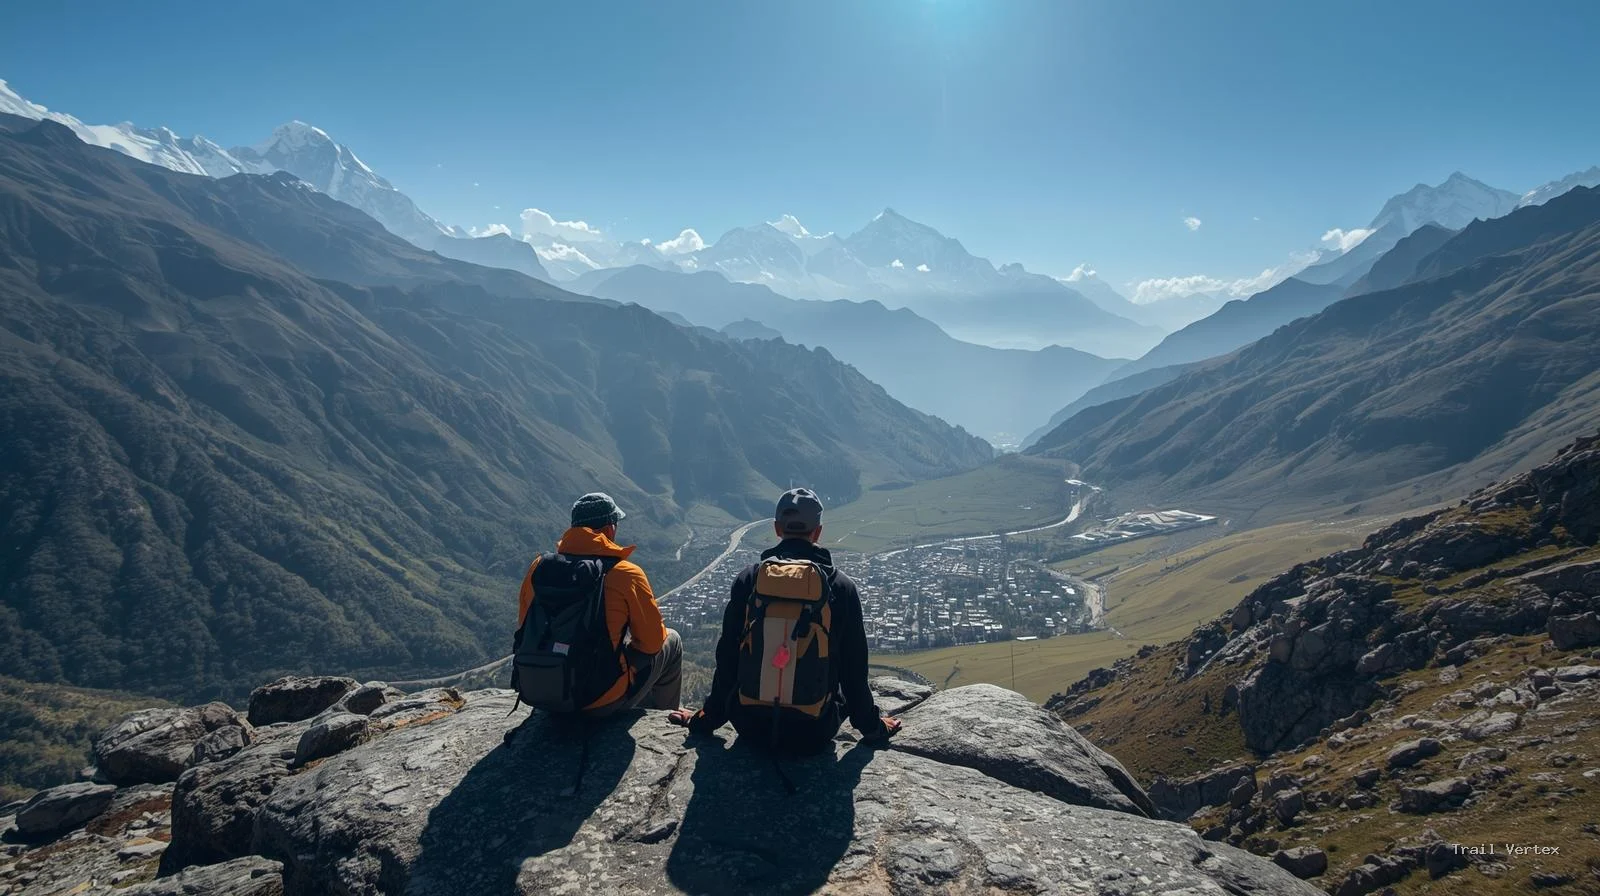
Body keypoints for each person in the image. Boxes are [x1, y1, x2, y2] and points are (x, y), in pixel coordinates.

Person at [670, 487, 901, 751]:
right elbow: (854, 670)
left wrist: (705, 720)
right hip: (815, 731)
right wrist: (874, 727)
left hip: (749, 726)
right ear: (818, 532)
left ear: (777, 528)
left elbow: (728, 659)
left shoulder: (750, 580)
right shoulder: (839, 586)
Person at [516, 491, 683, 716]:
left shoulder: (539, 568)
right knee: (672, 640)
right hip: (598, 700)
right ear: (609, 529)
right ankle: (663, 717)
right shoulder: (625, 573)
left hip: (540, 692)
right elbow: (651, 644)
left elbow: (524, 629)